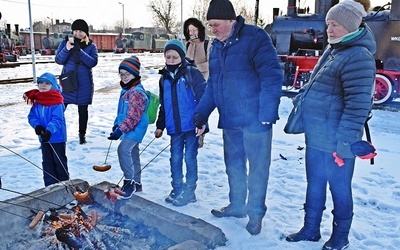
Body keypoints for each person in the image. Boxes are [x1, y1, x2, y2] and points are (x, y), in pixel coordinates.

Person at [285, 1, 376, 249]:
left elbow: (358, 106)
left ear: (350, 26)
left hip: (338, 141)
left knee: (339, 189)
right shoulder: (335, 50)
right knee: (314, 183)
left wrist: (344, 144)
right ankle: (311, 229)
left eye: (335, 25)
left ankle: (340, 238)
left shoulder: (359, 56)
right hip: (317, 135)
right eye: (328, 25)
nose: (329, 30)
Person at [193, 0, 283, 235]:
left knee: (257, 169)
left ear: (231, 21)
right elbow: (213, 85)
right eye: (210, 25)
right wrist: (202, 114)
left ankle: (255, 214)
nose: (213, 30)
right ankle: (236, 206)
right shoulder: (216, 46)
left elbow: (272, 76)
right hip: (230, 120)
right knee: (233, 166)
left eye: (216, 25)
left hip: (255, 120)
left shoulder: (255, 37)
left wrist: (266, 114)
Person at [154, 39, 207, 207]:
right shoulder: (164, 79)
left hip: (192, 127)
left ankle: (190, 191)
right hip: (174, 127)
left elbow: (203, 98)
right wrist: (160, 125)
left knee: (190, 158)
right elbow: (164, 103)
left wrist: (202, 122)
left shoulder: (192, 73)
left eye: (174, 57)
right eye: (167, 57)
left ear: (182, 57)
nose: (170, 60)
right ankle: (177, 187)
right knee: (175, 158)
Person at [108, 56, 149, 199]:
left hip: (136, 128)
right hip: (128, 127)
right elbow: (121, 112)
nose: (124, 77)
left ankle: (129, 182)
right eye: (122, 74)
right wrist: (116, 125)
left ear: (135, 75)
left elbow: (133, 117)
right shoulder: (126, 90)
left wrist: (121, 130)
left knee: (123, 149)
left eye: (127, 74)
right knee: (133, 153)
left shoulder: (136, 92)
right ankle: (137, 183)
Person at [55, 19, 98, 144]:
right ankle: (53, 133)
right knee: (59, 109)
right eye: (75, 31)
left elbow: (92, 62)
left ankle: (82, 135)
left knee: (83, 111)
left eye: (81, 31)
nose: (78, 34)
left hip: (84, 84)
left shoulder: (91, 46)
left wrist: (80, 52)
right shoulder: (65, 43)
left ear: (86, 33)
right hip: (68, 82)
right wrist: (67, 49)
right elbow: (59, 60)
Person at [24, 72, 69, 187]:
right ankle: (50, 186)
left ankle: (64, 185)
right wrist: (37, 126)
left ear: (53, 85)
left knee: (59, 163)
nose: (43, 85)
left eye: (47, 83)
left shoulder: (57, 101)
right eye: (41, 83)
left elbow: (57, 119)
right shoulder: (37, 101)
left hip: (57, 138)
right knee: (47, 163)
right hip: (44, 138)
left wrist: (49, 130)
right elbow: (32, 116)